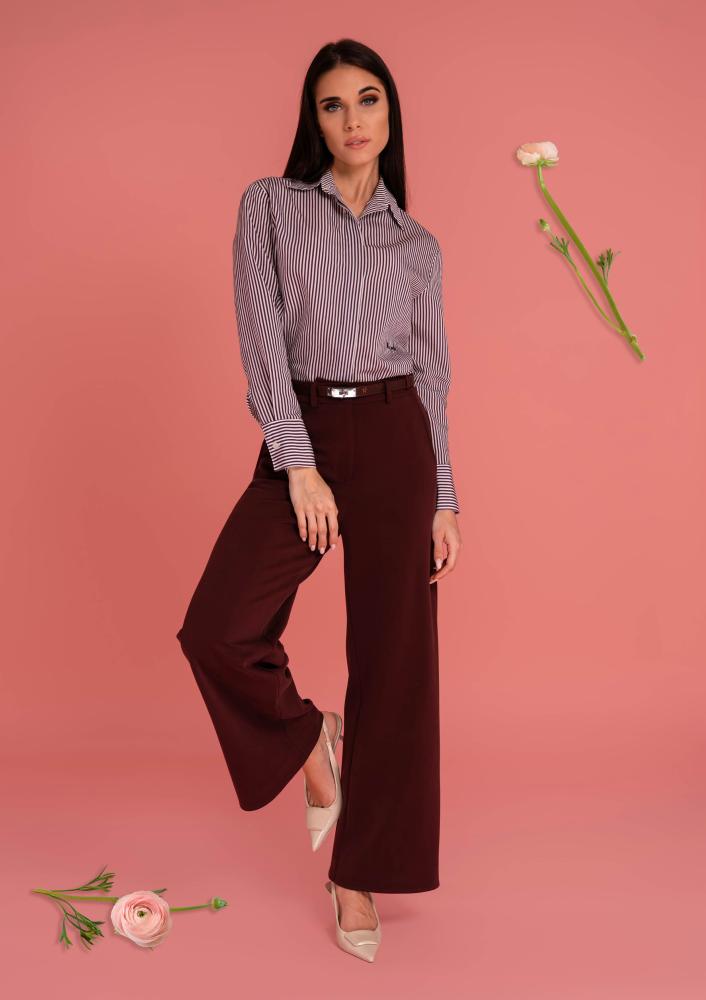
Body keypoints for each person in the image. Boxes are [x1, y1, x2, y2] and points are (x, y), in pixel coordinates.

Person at [176, 37, 462, 962]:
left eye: (368, 99)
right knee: (218, 626)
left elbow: (433, 379)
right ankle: (310, 740)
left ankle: (356, 874)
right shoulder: (270, 205)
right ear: (314, 119)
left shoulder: (417, 245)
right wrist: (296, 463)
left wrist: (444, 496)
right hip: (304, 426)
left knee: (395, 665)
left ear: (390, 113)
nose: (353, 119)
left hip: (395, 437)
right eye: (333, 104)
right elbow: (261, 337)